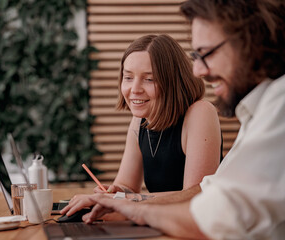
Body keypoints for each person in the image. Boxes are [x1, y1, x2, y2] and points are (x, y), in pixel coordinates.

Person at [85, 0, 285, 239]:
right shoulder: (257, 113)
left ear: (249, 45)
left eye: (206, 53)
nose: (198, 70)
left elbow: (208, 209)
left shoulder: (275, 108)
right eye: (128, 77)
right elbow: (214, 197)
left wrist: (130, 205)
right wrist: (117, 199)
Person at [61, 34, 223, 217]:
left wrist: (124, 200)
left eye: (149, 79)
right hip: (163, 224)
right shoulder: (139, 122)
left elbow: (195, 196)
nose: (134, 89)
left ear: (173, 81)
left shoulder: (200, 112)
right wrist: (115, 193)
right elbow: (127, 186)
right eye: (128, 77)